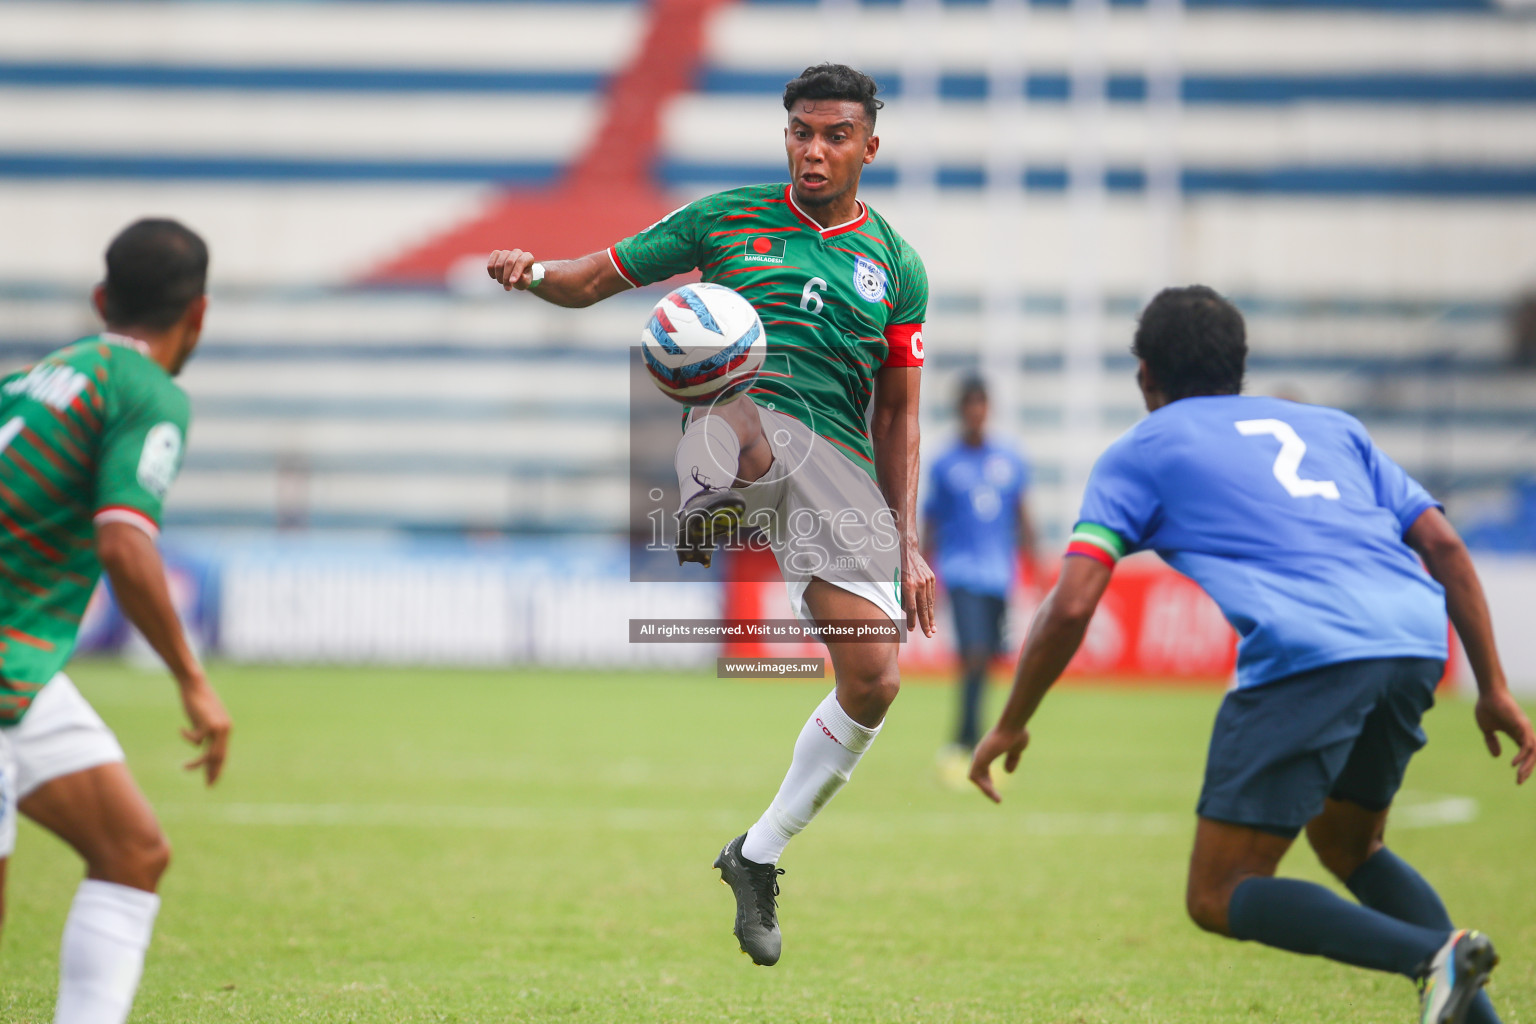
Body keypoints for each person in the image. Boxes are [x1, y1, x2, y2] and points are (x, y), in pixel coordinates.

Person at [969, 286, 1534, 1024]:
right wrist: (1492, 685)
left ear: (1145, 376)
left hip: (1312, 649)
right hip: (1416, 637)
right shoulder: (1335, 428)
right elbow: (1444, 546)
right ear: (1239, 365)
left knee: (1218, 891)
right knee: (1348, 843)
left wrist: (1011, 721)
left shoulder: (1143, 448)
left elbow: (1073, 601)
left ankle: (1431, 956)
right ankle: (1458, 978)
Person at [487, 63, 935, 966]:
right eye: (801, 132)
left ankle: (756, 855)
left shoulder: (896, 266)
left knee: (875, 681)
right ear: (786, 137)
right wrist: (532, 271)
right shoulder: (723, 219)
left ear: (869, 147)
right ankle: (716, 501)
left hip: (837, 475)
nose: (815, 149)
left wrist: (907, 543)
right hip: (736, 429)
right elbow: (593, 277)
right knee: (741, 407)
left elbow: (898, 412)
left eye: (835, 135)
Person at [0, 218, 232, 1024]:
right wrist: (193, 681)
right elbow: (126, 539)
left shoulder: (39, 378)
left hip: (19, 677)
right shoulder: (148, 393)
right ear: (198, 315)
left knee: (132, 852)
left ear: (102, 299)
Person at [921, 375, 1035, 785]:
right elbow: (930, 522)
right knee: (973, 654)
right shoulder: (944, 463)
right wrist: (920, 569)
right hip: (961, 570)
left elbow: (1022, 514)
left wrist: (1033, 566)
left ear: (987, 409)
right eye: (968, 404)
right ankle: (962, 744)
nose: (975, 412)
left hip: (999, 575)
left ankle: (976, 741)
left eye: (980, 404)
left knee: (987, 660)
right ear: (961, 411)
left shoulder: (1009, 459)